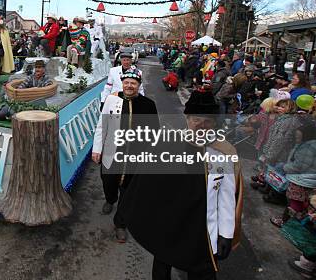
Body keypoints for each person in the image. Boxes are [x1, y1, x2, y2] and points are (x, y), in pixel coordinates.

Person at [121, 90, 241, 279]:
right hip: (169, 226)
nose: (201, 126)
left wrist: (226, 232)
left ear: (214, 123)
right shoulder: (167, 145)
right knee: (161, 270)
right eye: (196, 120)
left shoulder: (223, 153)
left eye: (207, 121)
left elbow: (226, 196)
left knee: (202, 273)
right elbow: (146, 187)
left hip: (202, 231)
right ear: (187, 119)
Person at [91, 67, 159, 243]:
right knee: (108, 181)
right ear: (122, 84)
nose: (129, 86)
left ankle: (120, 224)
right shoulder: (111, 101)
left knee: (128, 190)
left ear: (138, 85)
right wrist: (97, 149)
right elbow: (101, 126)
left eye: (133, 83)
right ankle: (110, 198)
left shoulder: (148, 105)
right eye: (126, 82)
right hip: (111, 152)